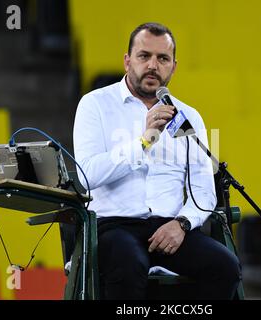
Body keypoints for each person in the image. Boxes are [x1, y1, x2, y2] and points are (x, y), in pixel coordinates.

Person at [73, 22, 241, 299]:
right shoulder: (95, 104)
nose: (153, 65)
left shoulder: (190, 116)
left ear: (173, 66)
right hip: (114, 226)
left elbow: (203, 190)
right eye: (144, 56)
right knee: (129, 264)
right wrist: (144, 141)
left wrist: (183, 224)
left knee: (225, 267)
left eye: (162, 58)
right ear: (127, 61)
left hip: (170, 228)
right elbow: (87, 176)